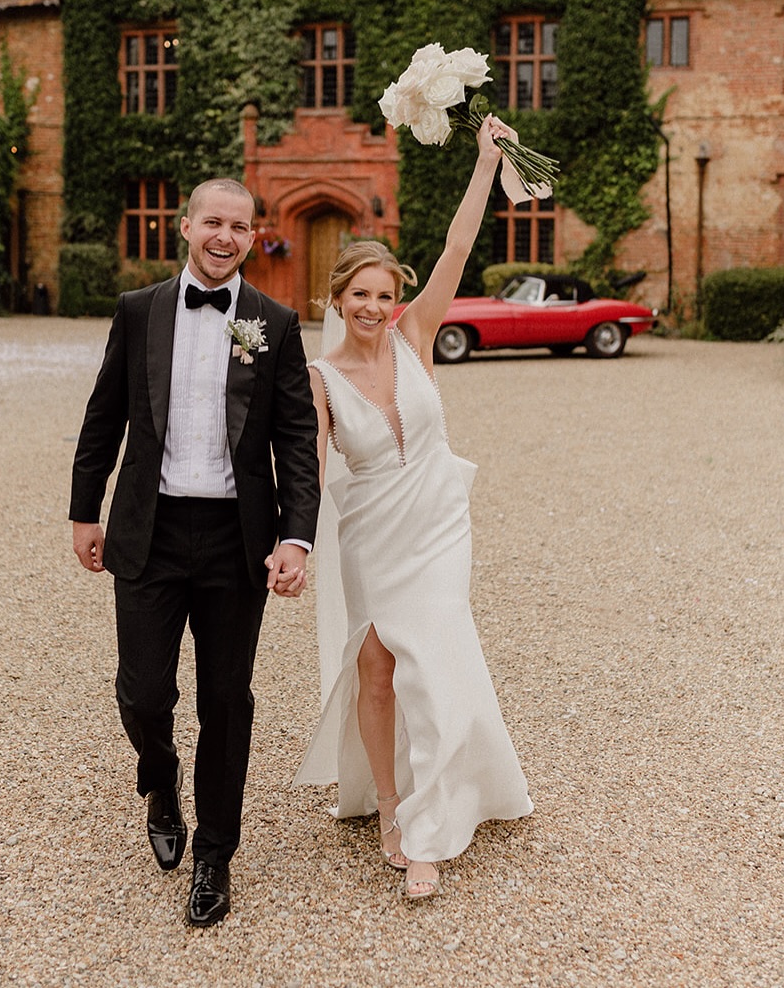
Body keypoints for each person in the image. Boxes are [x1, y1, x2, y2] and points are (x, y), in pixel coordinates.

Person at [69, 178, 320, 928]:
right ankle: (159, 775)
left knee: (225, 702)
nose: (225, 236)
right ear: (185, 227)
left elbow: (296, 440)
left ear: (252, 237)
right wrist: (86, 511)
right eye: (213, 221)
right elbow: (103, 415)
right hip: (147, 531)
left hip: (235, 543)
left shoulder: (272, 322)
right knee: (144, 693)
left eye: (239, 227)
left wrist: (295, 536)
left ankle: (215, 853)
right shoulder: (138, 310)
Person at [294, 115, 533, 901]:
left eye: (384, 295)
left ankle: (428, 832)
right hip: (371, 533)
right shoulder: (319, 379)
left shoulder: (415, 336)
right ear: (337, 299)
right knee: (375, 670)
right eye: (360, 296)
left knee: (429, 659)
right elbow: (308, 468)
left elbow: (457, 248)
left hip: (437, 524)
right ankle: (390, 807)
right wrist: (287, 543)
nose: (373, 307)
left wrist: (483, 162)